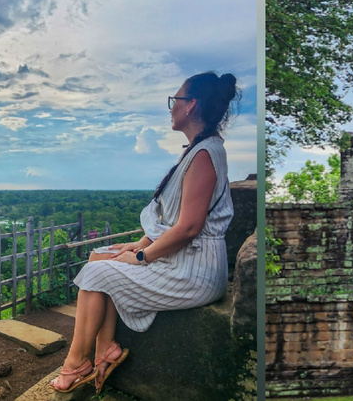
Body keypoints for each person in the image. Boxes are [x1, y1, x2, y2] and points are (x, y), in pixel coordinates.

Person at [50, 72, 239, 393]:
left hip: (194, 271)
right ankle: (105, 346)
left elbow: (189, 227)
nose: (171, 108)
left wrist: (142, 256)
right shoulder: (196, 151)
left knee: (96, 274)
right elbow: (170, 220)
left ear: (191, 106)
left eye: (174, 101)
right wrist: (136, 244)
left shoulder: (206, 154)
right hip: (182, 260)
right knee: (99, 256)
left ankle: (76, 363)